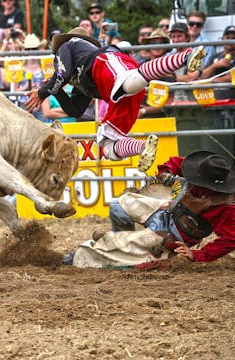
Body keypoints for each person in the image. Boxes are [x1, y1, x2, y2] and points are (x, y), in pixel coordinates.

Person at [24, 27, 207, 172]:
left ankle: (185, 56)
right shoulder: (81, 80)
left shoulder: (69, 45)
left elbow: (61, 74)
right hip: (117, 92)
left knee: (129, 82)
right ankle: (142, 147)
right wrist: (56, 91)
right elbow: (75, 110)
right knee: (107, 145)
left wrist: (42, 92)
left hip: (109, 66)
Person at [63, 151, 235, 269]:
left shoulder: (225, 207)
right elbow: (175, 163)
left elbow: (231, 238)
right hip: (166, 211)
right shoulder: (203, 168)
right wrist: (166, 173)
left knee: (119, 242)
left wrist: (197, 255)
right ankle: (122, 244)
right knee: (119, 204)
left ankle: (107, 248)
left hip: (173, 236)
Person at [200, 25, 235, 100]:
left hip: (232, 101)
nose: (230, 40)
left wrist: (213, 80)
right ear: (222, 39)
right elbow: (203, 76)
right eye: (228, 38)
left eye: (233, 38)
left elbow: (232, 77)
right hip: (213, 99)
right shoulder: (215, 56)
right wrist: (215, 66)